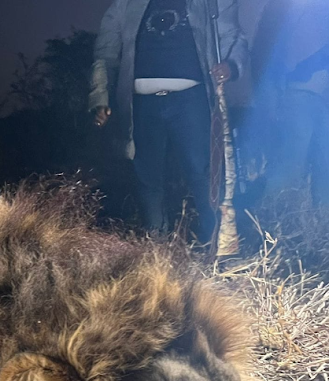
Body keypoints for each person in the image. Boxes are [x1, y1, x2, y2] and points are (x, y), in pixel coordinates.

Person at [89, 0, 248, 243]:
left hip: (191, 100)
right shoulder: (126, 5)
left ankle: (217, 244)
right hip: (141, 104)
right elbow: (105, 52)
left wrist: (231, 65)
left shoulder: (208, 2)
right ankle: (157, 246)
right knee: (148, 178)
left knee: (203, 172)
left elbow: (233, 37)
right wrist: (100, 96)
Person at [251, 0, 329, 206]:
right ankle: (272, 220)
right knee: (291, 163)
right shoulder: (288, 7)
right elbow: (268, 48)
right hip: (297, 93)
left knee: (322, 167)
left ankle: (317, 229)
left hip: (309, 93)